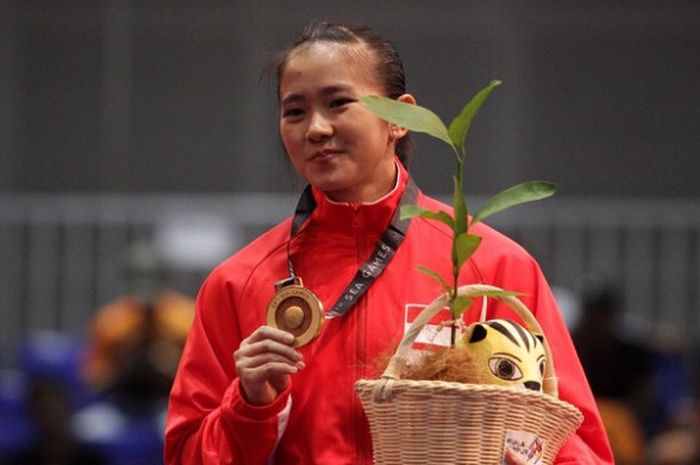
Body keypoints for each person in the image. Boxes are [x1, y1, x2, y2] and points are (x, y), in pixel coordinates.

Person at [164, 21, 613, 465]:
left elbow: (576, 442)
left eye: (339, 103)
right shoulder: (239, 283)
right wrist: (250, 404)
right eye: (294, 111)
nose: (315, 129)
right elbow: (186, 454)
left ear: (400, 118)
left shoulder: (490, 266)